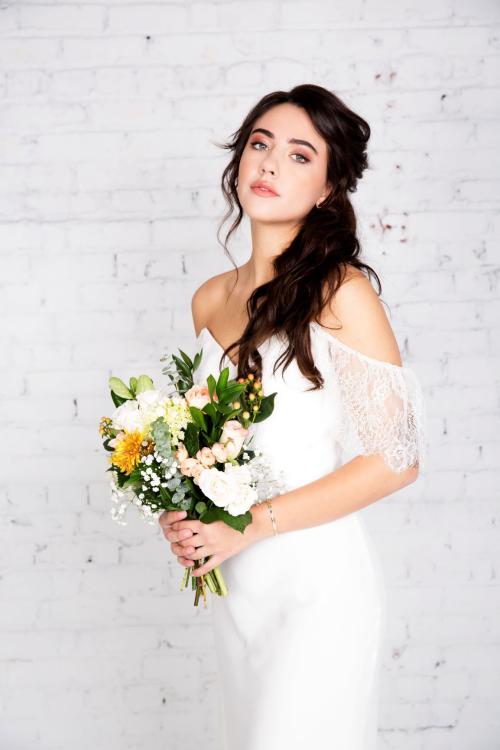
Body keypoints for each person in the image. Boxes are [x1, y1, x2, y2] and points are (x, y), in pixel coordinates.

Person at [159, 83, 426, 749]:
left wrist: (250, 523)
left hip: (316, 587)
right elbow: (209, 448)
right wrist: (182, 509)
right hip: (238, 589)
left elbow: (397, 460)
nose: (270, 164)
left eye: (300, 155)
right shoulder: (207, 300)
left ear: (330, 190)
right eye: (259, 144)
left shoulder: (342, 291)